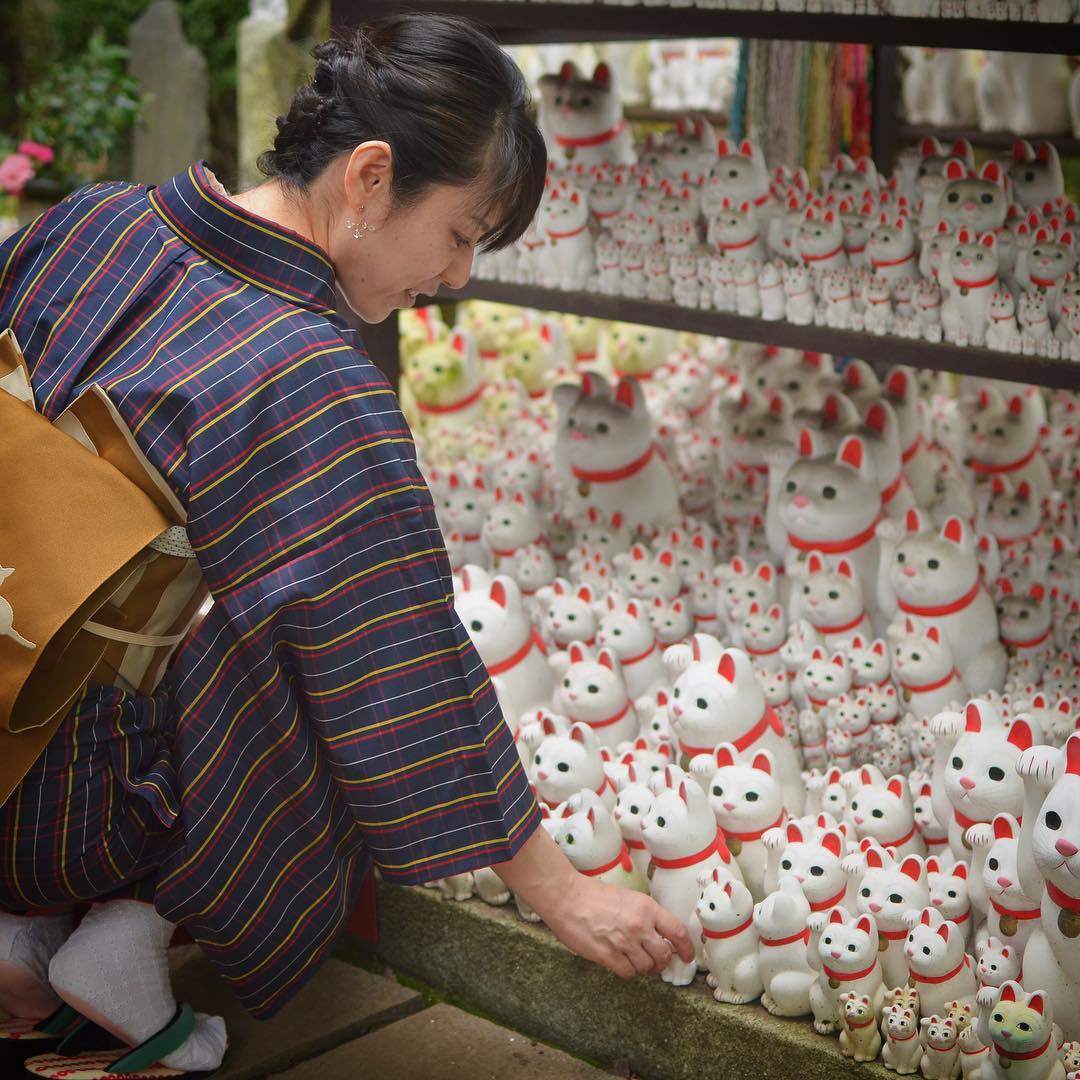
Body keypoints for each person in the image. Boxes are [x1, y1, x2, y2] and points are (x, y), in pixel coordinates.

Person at [0, 14, 692, 1074]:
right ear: (370, 177)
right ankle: (120, 928)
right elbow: (400, 662)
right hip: (66, 812)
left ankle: (23, 928)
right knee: (336, 676)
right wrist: (560, 890)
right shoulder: (311, 374)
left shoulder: (95, 221)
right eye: (461, 233)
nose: (459, 275)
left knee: (209, 596)